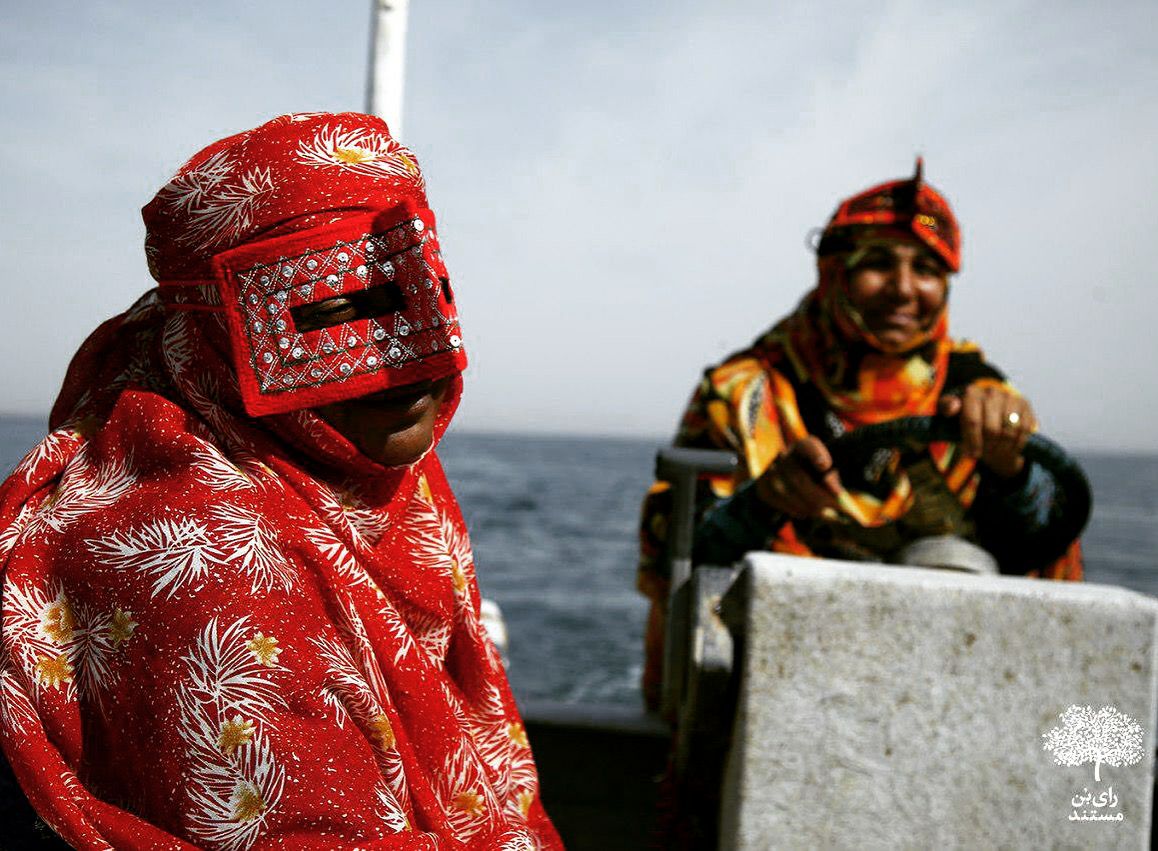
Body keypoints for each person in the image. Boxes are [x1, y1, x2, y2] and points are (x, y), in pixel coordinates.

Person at [0, 113, 562, 849]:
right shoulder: (207, 564)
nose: (412, 359)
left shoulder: (357, 457)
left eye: (422, 292)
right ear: (213, 332)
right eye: (328, 313)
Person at [637, 160, 1083, 710]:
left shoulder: (982, 395)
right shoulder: (747, 392)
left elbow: (1033, 555)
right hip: (773, 690)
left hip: (951, 691)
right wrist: (763, 504)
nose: (902, 289)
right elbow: (677, 554)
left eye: (926, 268)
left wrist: (1010, 472)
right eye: (876, 264)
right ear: (834, 273)